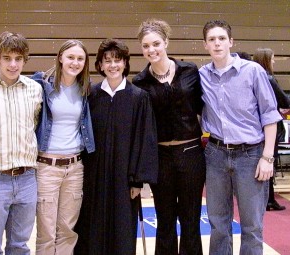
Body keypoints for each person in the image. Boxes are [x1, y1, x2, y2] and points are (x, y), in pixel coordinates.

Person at [200, 20, 282, 254]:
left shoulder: (253, 71)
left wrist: (267, 158)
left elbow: (269, 115)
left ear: (231, 42)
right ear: (205, 45)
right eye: (212, 40)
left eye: (222, 39)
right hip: (215, 154)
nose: (217, 44)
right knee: (218, 223)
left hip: (251, 154)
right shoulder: (202, 75)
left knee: (252, 225)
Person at [75, 38, 158, 255]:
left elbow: (144, 139)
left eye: (117, 60)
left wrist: (137, 180)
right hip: (94, 175)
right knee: (92, 226)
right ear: (100, 65)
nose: (113, 65)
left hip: (125, 177)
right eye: (107, 61)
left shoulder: (139, 98)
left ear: (125, 64)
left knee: (122, 229)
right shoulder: (90, 95)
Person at [132, 19, 206, 255]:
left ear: (166, 42)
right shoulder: (139, 82)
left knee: (191, 220)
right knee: (164, 221)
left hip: (191, 154)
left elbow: (203, 108)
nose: (151, 50)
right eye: (146, 46)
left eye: (156, 43)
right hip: (160, 157)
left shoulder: (190, 71)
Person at [0, 31, 43, 254]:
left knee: (20, 246)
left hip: (27, 178)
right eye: (7, 58)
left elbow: (35, 125)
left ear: (25, 60)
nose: (13, 64)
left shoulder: (35, 89)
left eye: (18, 59)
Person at [31, 39, 95, 255]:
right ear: (60, 58)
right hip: (47, 167)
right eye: (70, 57)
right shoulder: (42, 84)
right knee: (47, 230)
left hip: (75, 167)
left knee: (67, 229)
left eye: (80, 59)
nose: (75, 62)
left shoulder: (85, 90)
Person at [254, 47, 289, 211]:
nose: (274, 62)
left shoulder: (253, 76)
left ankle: (265, 199)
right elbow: (285, 101)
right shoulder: (268, 78)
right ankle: (268, 199)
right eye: (273, 58)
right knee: (269, 161)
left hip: (255, 127)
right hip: (269, 127)